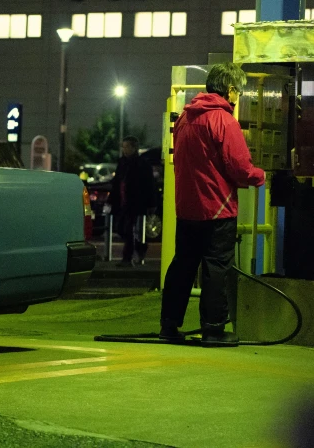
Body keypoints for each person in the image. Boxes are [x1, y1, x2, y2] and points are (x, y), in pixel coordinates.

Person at [160, 62, 265, 347]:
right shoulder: (223, 120)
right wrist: (261, 176)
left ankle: (169, 325)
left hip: (187, 209)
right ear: (230, 90)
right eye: (238, 92)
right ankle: (214, 329)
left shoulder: (184, 118)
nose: (238, 97)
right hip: (217, 210)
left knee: (183, 265)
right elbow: (239, 167)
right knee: (216, 268)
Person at [106, 135, 156, 268]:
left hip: (134, 201)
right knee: (120, 228)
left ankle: (127, 258)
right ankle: (140, 246)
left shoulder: (142, 164)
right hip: (123, 201)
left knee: (127, 229)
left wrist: (151, 203)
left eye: (127, 147)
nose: (124, 149)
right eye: (123, 147)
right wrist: (111, 199)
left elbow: (149, 184)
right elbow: (117, 183)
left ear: (134, 148)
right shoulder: (122, 162)